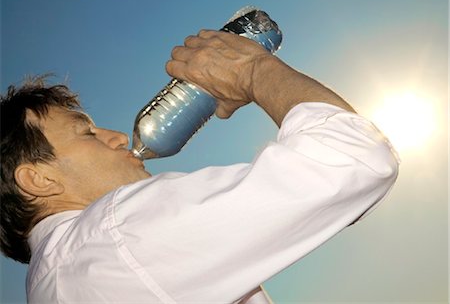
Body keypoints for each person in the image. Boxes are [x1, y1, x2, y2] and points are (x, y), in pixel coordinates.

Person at [1, 30, 399, 303]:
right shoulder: (113, 234)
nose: (119, 137)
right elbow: (354, 157)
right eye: (85, 133)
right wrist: (253, 71)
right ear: (37, 178)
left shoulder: (54, 283)